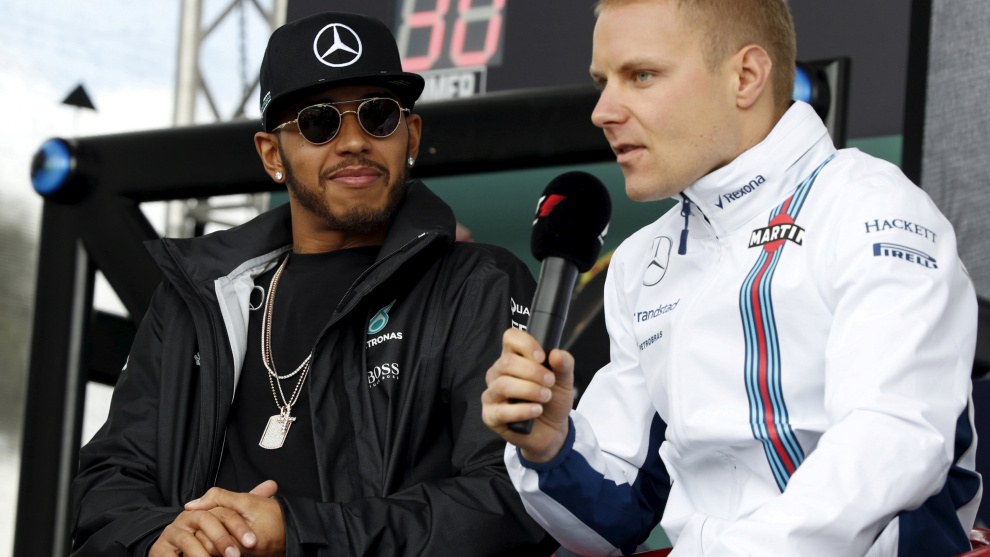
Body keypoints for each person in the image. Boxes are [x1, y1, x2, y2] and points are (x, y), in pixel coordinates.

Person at [481, 0, 982, 555]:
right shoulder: (641, 260)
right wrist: (552, 449)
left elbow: (892, 445)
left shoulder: (870, 207)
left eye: (641, 76)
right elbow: (619, 517)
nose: (602, 111)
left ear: (745, 77)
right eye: (603, 82)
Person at [71, 11, 557, 557]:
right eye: (318, 123)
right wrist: (157, 539)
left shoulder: (478, 285)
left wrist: (298, 533)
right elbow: (108, 483)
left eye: (378, 116)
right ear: (272, 155)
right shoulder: (199, 298)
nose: (353, 142)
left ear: (412, 136)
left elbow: (513, 499)